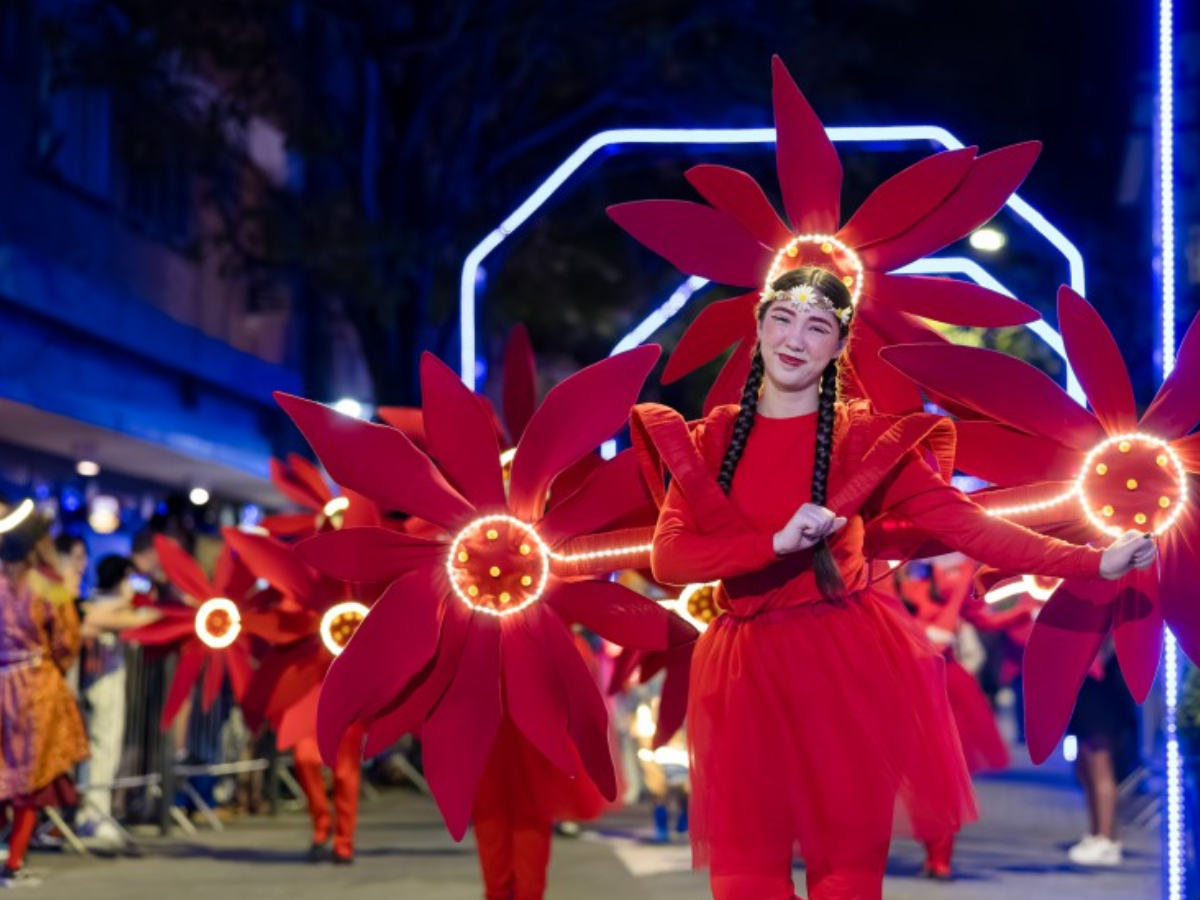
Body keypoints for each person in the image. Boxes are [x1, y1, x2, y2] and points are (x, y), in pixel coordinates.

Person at [636, 266, 1157, 900]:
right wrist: (771, 544)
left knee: (847, 879)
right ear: (759, 328)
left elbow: (968, 526)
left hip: (844, 669)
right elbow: (670, 560)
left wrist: (1089, 563)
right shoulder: (709, 439)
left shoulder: (865, 441)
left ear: (837, 345)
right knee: (745, 879)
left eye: (817, 326)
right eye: (782, 319)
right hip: (743, 673)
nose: (795, 339)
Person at [0, 509, 90, 888]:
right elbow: (66, 639)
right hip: (36, 686)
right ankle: (15, 862)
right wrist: (54, 666)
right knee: (29, 780)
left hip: (1, 681)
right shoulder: (46, 585)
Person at [76, 555, 159, 848]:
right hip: (100, 685)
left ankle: (98, 812)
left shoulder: (108, 604)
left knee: (105, 749)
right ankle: (94, 814)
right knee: (103, 749)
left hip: (108, 683)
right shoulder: (95, 605)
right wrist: (139, 616)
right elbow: (102, 618)